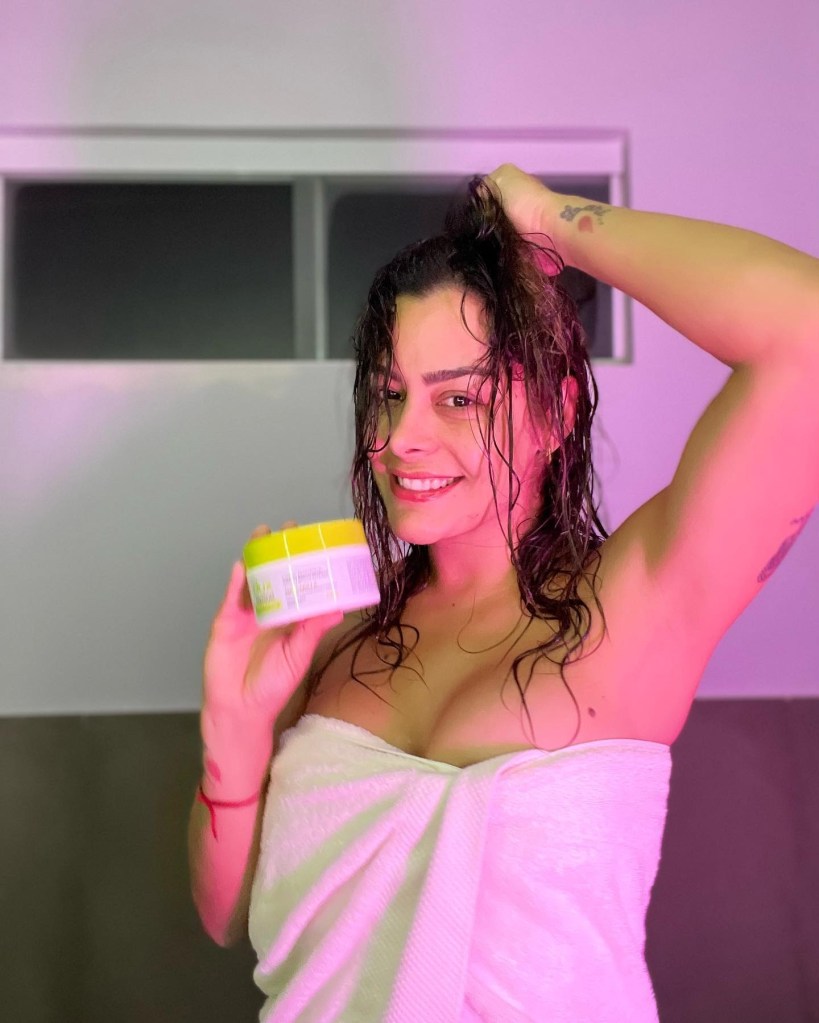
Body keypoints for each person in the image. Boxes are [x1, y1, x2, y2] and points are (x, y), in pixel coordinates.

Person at [188, 164, 819, 1021]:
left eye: (458, 397)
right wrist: (233, 729)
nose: (400, 439)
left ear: (556, 412)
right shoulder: (333, 637)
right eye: (388, 395)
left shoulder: (634, 606)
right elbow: (225, 915)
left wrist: (549, 218)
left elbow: (804, 331)